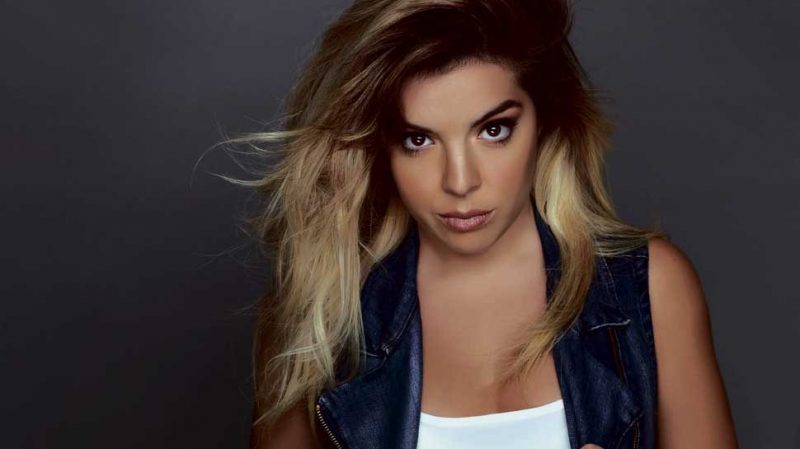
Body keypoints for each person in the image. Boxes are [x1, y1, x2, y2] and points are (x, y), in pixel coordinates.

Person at [231, 1, 740, 448]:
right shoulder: (322, 312)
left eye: (493, 130)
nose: (460, 181)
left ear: (545, 123)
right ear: (379, 148)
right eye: (418, 140)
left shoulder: (647, 290)